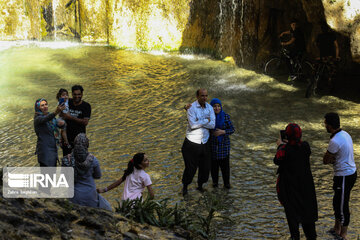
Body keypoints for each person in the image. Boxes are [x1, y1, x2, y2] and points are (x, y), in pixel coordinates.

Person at [274, 123, 318, 240]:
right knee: (309, 227)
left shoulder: (284, 150)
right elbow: (297, 147)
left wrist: (280, 145)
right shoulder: (305, 147)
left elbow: (277, 160)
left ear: (287, 136)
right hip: (306, 191)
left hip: (290, 192)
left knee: (293, 226)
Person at [323, 113, 357, 240]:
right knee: (336, 202)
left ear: (330, 125)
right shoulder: (345, 134)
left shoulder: (335, 140)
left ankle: (344, 235)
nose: (324, 125)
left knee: (342, 205)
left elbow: (325, 160)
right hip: (347, 173)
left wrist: (329, 158)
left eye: (325, 123)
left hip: (344, 175)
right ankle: (336, 229)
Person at [62, 133, 111, 211]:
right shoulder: (93, 160)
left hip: (74, 197)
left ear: (74, 144)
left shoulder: (66, 160)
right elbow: (98, 176)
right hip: (90, 196)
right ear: (87, 146)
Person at [181, 88, 215, 196]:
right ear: (197, 96)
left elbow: (213, 125)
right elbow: (193, 125)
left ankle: (200, 186)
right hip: (191, 143)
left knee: (205, 168)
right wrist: (206, 121)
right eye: (202, 96)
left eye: (206, 96)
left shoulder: (209, 107)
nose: (204, 98)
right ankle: (185, 187)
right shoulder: (191, 108)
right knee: (191, 168)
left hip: (205, 142)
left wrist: (199, 122)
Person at [209, 98, 235, 189]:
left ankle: (227, 187)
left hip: (224, 148)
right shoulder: (209, 118)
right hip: (213, 148)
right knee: (214, 170)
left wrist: (223, 132)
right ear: (211, 108)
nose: (217, 108)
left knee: (225, 170)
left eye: (218, 106)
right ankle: (215, 186)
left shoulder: (225, 117)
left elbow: (232, 129)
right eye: (214, 106)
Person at [61, 85, 91, 156]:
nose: (77, 96)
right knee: (67, 162)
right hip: (67, 139)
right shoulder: (68, 102)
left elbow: (85, 122)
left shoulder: (86, 106)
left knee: (80, 162)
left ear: (82, 94)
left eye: (79, 94)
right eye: (75, 94)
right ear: (72, 94)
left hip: (80, 140)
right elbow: (60, 111)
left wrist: (70, 117)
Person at [34, 98, 65, 166]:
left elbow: (55, 125)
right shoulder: (38, 118)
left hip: (53, 149)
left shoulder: (49, 116)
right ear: (38, 107)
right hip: (45, 151)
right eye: (42, 105)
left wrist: (61, 124)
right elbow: (46, 119)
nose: (45, 106)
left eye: (46, 104)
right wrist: (56, 112)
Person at [315, 22, 340, 89]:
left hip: (322, 57)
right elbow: (336, 46)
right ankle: (330, 81)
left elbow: (316, 46)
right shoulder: (332, 35)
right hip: (330, 57)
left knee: (320, 68)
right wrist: (337, 56)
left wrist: (319, 55)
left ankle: (318, 82)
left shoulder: (319, 36)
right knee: (333, 70)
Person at [56, 88, 71, 153]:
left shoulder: (67, 101)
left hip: (65, 118)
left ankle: (62, 140)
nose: (65, 96)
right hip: (61, 119)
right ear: (60, 96)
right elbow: (61, 112)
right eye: (63, 95)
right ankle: (66, 142)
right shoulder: (61, 103)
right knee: (63, 129)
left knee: (64, 129)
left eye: (66, 95)